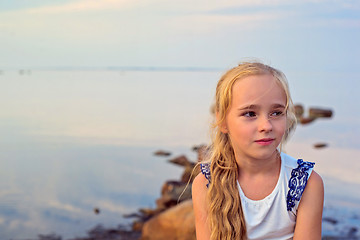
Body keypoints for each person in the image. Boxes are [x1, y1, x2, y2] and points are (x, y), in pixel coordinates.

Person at [192, 62, 324, 240]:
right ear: (223, 121)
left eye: (276, 113)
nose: (266, 126)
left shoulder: (305, 183)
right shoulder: (206, 185)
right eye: (250, 114)